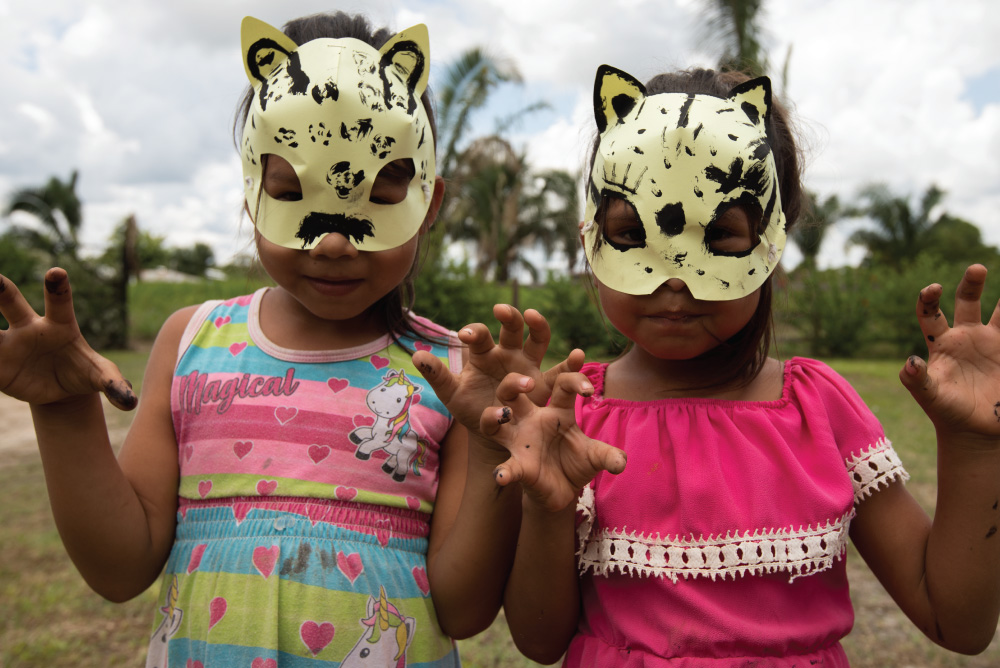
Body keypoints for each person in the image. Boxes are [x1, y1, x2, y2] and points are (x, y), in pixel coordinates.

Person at [0, 12, 577, 666]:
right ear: (254, 191)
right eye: (291, 189)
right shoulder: (190, 342)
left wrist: (488, 439)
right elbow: (120, 567)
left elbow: (464, 611)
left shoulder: (451, 376)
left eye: (377, 193)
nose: (332, 241)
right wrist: (62, 409)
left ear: (429, 202)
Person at [435, 66, 1000, 667]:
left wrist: (974, 447)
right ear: (590, 237)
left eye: (721, 234)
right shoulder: (571, 417)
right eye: (631, 233)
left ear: (772, 241)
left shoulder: (819, 407)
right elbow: (540, 641)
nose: (676, 277)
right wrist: (549, 511)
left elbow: (956, 622)